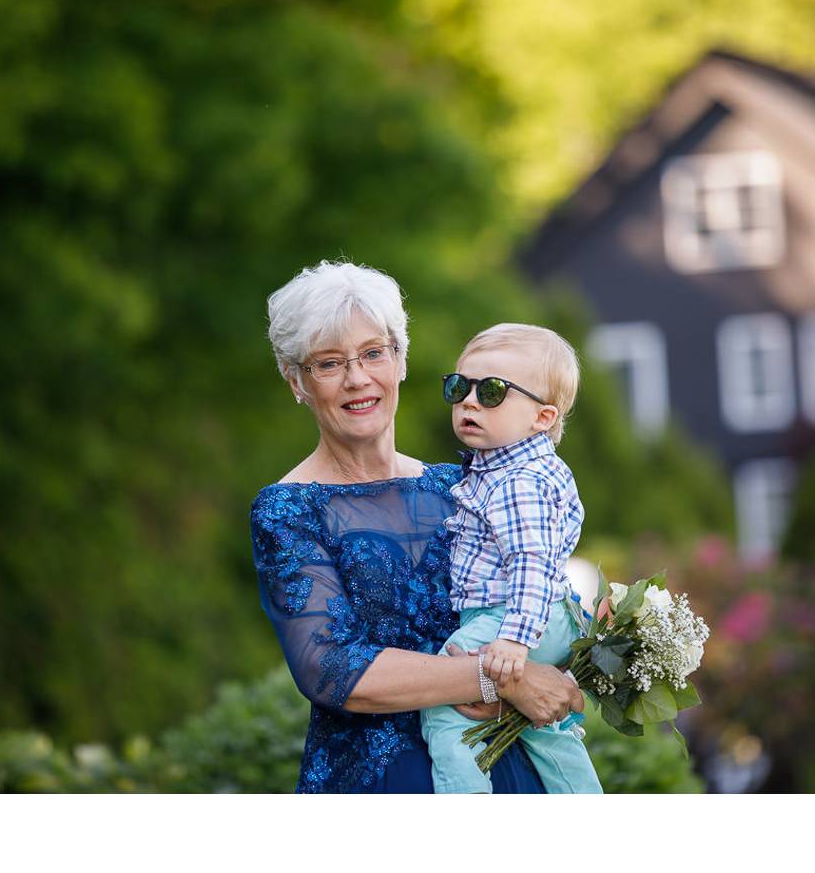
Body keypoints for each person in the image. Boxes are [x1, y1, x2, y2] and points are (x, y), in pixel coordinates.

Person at [250, 260, 586, 793]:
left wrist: (601, 636)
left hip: (501, 765)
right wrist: (504, 676)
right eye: (329, 363)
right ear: (296, 381)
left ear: (401, 361)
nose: (358, 378)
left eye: (373, 353)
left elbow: (529, 588)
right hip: (378, 778)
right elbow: (333, 669)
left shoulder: (461, 484)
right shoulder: (287, 511)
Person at [420, 323, 604, 793]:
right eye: (459, 386)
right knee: (550, 732)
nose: (470, 401)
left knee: (444, 701)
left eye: (493, 390)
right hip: (543, 615)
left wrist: (516, 641)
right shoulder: (517, 468)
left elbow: (531, 562)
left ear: (543, 417)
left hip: (511, 618)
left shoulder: (517, 481)